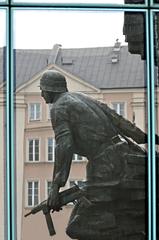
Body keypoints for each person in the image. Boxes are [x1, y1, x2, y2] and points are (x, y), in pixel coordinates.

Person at [40, 70, 153, 240]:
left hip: (106, 165)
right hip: (126, 154)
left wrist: (55, 188)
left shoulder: (59, 108)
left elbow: (64, 145)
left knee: (77, 227)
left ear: (50, 90)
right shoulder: (81, 97)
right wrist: (145, 138)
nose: (41, 94)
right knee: (118, 212)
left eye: (42, 89)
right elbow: (118, 119)